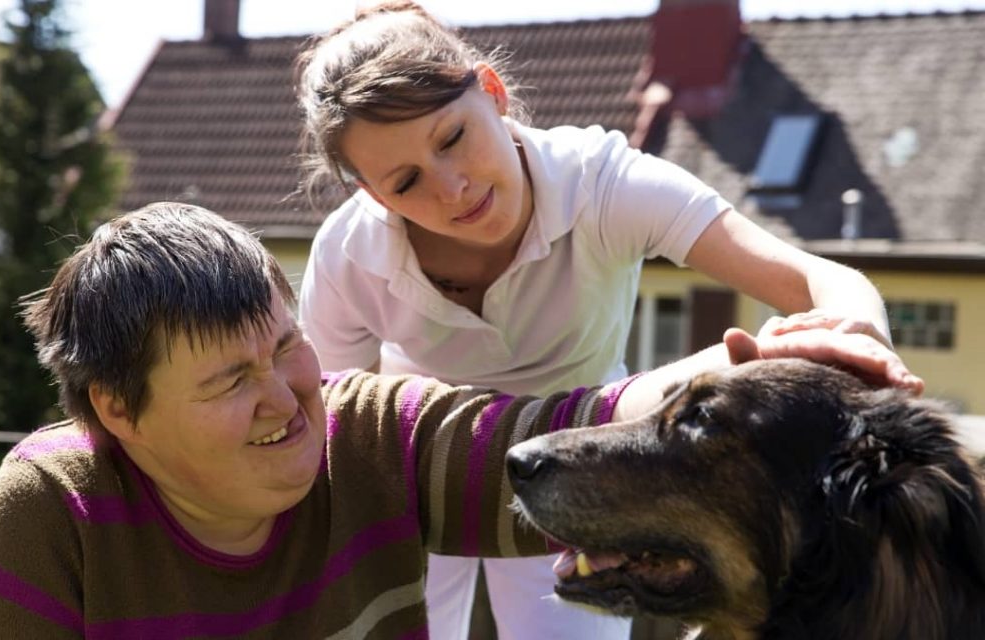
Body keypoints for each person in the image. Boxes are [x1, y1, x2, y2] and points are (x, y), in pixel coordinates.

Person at [0, 202, 918, 639]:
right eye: (227, 381)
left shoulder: (368, 434)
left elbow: (566, 425)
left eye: (286, 347)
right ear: (116, 412)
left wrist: (773, 356)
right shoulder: (47, 517)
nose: (289, 396)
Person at [293, 2, 909, 638]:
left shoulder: (603, 183)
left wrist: (863, 341)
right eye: (405, 182)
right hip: (422, 477)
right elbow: (338, 429)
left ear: (494, 93)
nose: (451, 189)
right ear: (369, 193)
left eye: (452, 138)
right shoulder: (348, 254)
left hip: (578, 462)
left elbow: (823, 281)